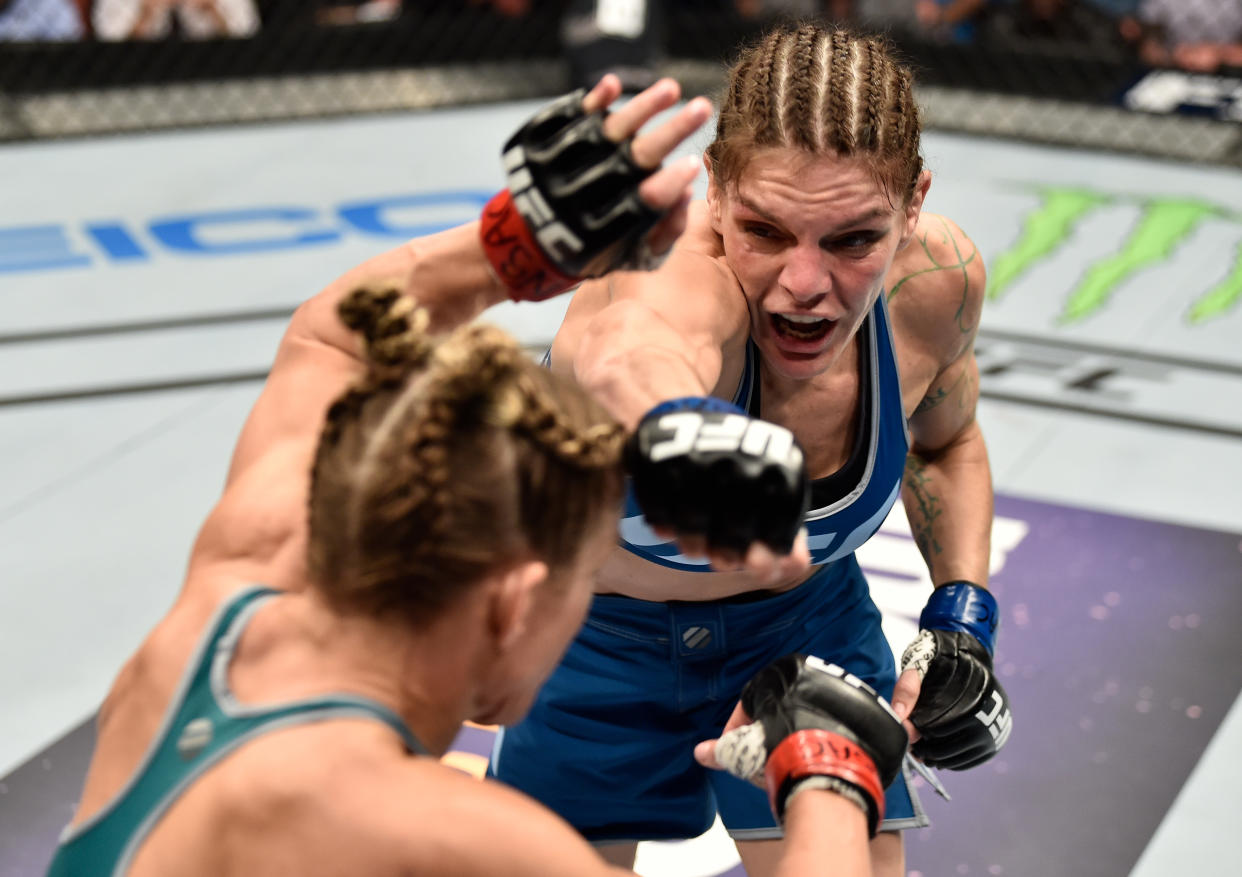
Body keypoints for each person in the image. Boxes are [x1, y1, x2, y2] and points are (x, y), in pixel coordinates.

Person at [44, 75, 908, 877]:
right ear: (513, 600)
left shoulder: (228, 599)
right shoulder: (456, 839)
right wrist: (831, 781)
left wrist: (511, 245)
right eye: (580, 591)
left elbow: (330, 338)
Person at [489, 22, 1013, 877]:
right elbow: (629, 346)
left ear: (913, 203)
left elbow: (947, 441)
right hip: (590, 640)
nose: (804, 285)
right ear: (716, 191)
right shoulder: (667, 269)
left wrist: (963, 611)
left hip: (805, 628)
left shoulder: (937, 281)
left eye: (853, 239)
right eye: (765, 230)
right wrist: (680, 432)